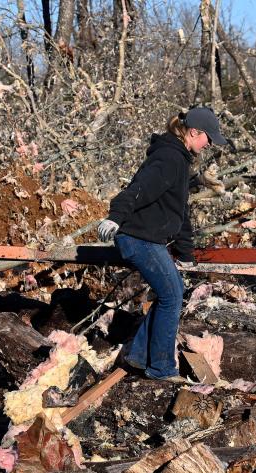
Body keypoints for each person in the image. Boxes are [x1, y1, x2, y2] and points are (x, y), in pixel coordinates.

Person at [97, 107, 227, 382]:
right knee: (171, 296)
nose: (209, 144)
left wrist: (186, 252)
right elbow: (138, 189)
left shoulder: (179, 159)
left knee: (173, 292)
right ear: (194, 132)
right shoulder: (169, 158)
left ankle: (139, 355)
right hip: (137, 239)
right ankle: (161, 368)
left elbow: (180, 211)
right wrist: (115, 218)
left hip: (148, 239)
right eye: (208, 138)